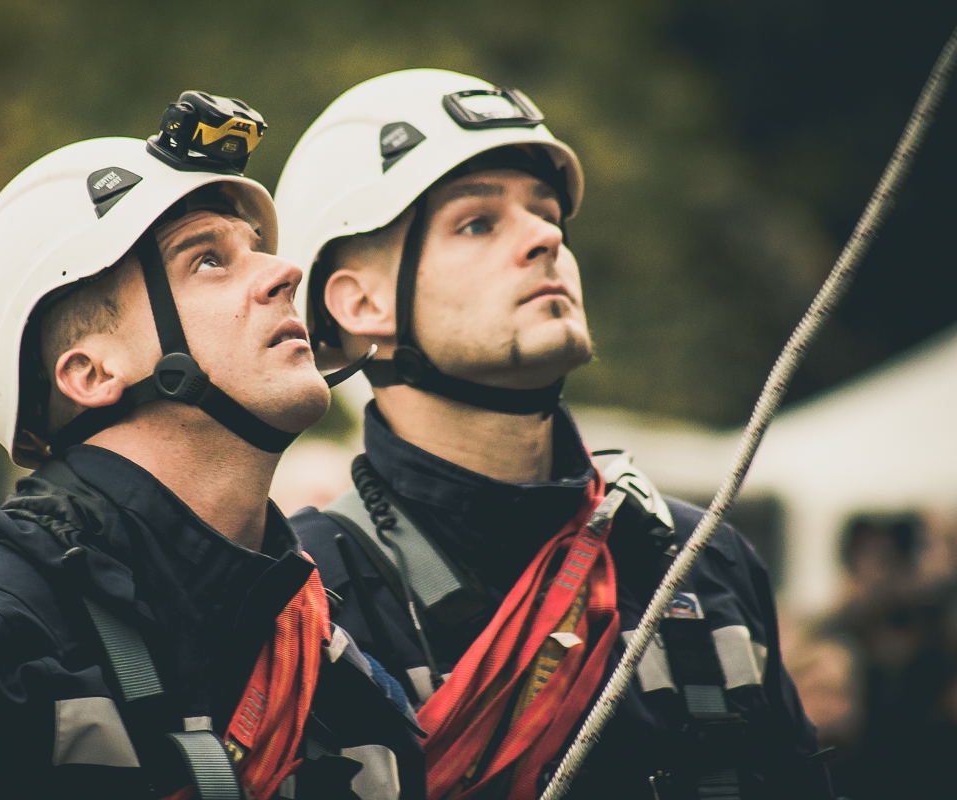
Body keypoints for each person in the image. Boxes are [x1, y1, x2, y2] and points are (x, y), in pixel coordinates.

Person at [0, 91, 423, 800]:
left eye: (255, 250)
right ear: (92, 373)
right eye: (208, 261)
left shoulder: (327, 644)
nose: (284, 272)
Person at [275, 69, 833, 799]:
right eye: (479, 222)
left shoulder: (703, 563)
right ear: (359, 303)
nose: (545, 237)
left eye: (546, 214)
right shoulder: (305, 595)